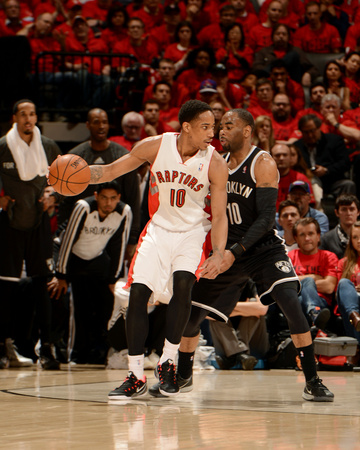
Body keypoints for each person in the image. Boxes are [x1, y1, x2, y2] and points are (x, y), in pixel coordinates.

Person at [151, 108, 334, 402]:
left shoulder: (262, 163)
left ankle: (312, 379)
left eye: (228, 125)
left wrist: (233, 253)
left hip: (261, 247)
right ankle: (183, 375)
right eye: (219, 126)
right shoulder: (215, 162)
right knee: (193, 313)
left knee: (290, 302)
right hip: (226, 247)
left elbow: (264, 220)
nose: (221, 131)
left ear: (247, 131)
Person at [87, 100, 229, 399]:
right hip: (158, 229)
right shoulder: (155, 146)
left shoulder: (215, 162)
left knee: (182, 286)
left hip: (192, 232)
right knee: (138, 294)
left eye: (213, 127)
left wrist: (218, 251)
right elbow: (112, 169)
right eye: (205, 127)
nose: (211, 133)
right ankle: (136, 375)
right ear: (186, 127)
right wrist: (79, 176)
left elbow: (218, 215)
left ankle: (167, 362)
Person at [0, 99, 62, 370]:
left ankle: (47, 347)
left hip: (38, 224)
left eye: (32, 114)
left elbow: (62, 181)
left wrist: (53, 195)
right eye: (23, 114)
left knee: (43, 286)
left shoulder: (48, 146)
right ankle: (3, 346)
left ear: (37, 117)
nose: (28, 118)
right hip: (9, 224)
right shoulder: (3, 146)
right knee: (5, 289)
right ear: (15, 117)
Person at [48, 181, 132, 364]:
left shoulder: (124, 211)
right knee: (73, 304)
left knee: (106, 302)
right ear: (96, 196)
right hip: (70, 254)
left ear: (118, 198)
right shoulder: (83, 207)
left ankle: (101, 350)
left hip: (96, 256)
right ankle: (72, 352)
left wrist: (113, 279)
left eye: (113, 198)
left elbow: (120, 245)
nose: (108, 203)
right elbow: (67, 242)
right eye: (104, 198)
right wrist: (61, 275)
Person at [58, 108, 140, 262]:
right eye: (96, 122)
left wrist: (132, 239)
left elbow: (133, 200)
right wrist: (63, 231)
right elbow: (65, 200)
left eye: (105, 122)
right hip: (81, 231)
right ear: (88, 125)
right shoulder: (75, 157)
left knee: (109, 282)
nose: (101, 126)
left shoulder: (123, 156)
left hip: (114, 231)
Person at [289, 217, 338, 331]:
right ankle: (315, 315)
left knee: (302, 300)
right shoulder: (290, 257)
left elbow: (329, 287)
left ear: (318, 236)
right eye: (302, 235)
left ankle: (314, 314)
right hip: (294, 300)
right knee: (305, 288)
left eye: (310, 233)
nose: (307, 238)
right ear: (296, 238)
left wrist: (300, 281)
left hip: (321, 302)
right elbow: (287, 284)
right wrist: (311, 277)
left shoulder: (328, 257)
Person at [295, 114, 356, 199]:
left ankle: (345, 210)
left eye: (312, 131)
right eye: (306, 132)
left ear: (319, 128)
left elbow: (345, 163)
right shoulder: (297, 146)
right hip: (306, 183)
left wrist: (326, 170)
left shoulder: (334, 141)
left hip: (332, 180)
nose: (310, 135)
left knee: (348, 184)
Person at [252, 23, 319, 86]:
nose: (281, 36)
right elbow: (256, 68)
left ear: (288, 37)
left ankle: (271, 68)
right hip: (270, 84)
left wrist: (308, 74)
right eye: (278, 34)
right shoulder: (264, 51)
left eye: (284, 34)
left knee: (293, 55)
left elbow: (313, 69)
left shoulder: (296, 51)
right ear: (272, 36)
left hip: (291, 85)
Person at [270, 143, 313, 210]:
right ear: (271, 157)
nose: (281, 158)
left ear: (290, 157)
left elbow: (310, 203)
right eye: (277, 155)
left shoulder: (300, 178)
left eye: (285, 155)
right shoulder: (264, 178)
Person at [336, 221, 360, 342]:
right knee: (344, 283)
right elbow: (340, 292)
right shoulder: (343, 263)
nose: (359, 241)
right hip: (350, 309)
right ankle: (355, 317)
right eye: (355, 237)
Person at [321, 194, 360, 259]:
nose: (348, 213)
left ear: (358, 212)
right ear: (337, 213)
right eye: (344, 209)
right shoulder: (326, 239)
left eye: (352, 209)